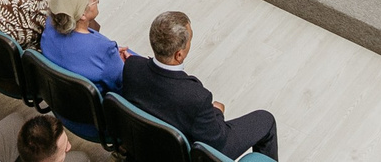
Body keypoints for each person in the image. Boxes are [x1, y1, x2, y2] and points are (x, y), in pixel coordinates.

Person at [119, 12, 277, 162]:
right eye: (189, 41)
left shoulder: (132, 67)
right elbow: (217, 141)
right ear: (179, 54)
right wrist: (217, 112)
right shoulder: (196, 97)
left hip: (146, 146)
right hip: (185, 152)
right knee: (265, 120)